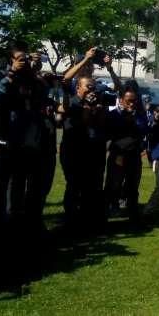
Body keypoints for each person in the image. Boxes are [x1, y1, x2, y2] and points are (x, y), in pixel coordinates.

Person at [0, 45, 55, 233]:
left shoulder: (33, 81)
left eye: (26, 59)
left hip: (30, 141)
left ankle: (23, 220)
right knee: (4, 182)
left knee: (25, 181)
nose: (24, 62)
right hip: (7, 140)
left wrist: (37, 73)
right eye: (19, 58)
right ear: (10, 61)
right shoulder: (1, 78)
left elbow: (43, 97)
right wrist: (12, 74)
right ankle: (1, 220)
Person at [60, 64, 109, 230]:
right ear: (78, 87)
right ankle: (70, 221)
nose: (91, 90)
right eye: (88, 87)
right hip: (73, 152)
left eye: (93, 87)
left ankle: (88, 221)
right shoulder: (72, 103)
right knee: (73, 186)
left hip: (93, 153)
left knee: (91, 188)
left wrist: (98, 109)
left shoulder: (99, 103)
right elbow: (65, 80)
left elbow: (101, 125)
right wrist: (88, 109)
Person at [104, 87, 149, 223]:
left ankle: (133, 215)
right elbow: (112, 132)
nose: (131, 104)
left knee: (133, 186)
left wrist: (132, 118)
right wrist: (126, 117)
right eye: (129, 101)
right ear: (121, 100)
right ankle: (107, 212)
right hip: (118, 155)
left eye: (134, 101)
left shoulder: (140, 116)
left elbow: (142, 130)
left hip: (134, 156)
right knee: (113, 185)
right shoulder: (113, 115)